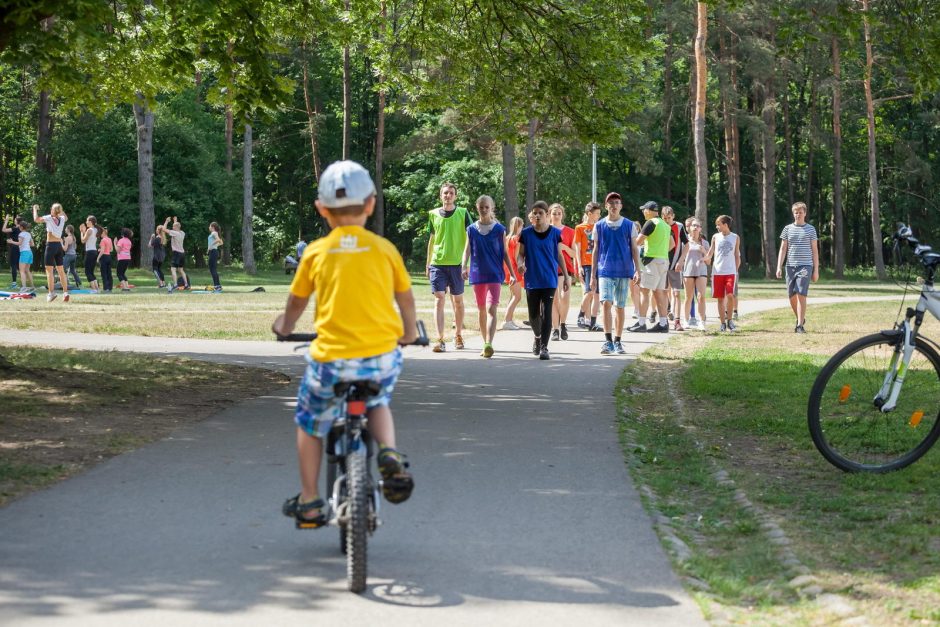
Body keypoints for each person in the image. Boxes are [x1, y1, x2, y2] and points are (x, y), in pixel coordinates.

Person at [272, 160, 417, 527]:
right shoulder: (384, 249)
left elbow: (297, 302)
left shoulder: (316, 253)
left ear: (322, 209)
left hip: (332, 360)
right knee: (378, 399)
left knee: (309, 422)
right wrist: (409, 333)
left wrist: (285, 325)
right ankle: (389, 454)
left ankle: (309, 502)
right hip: (380, 355)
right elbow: (405, 298)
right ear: (371, 203)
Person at [462, 195, 515, 358]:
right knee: (481, 309)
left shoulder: (499, 229)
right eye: (481, 207)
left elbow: (505, 253)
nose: (484, 210)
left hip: (494, 273)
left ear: (492, 208)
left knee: (492, 308)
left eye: (487, 207)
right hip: (477, 273)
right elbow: (467, 250)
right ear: (477, 208)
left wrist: (512, 274)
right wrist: (463, 266)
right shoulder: (471, 229)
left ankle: (488, 343)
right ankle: (484, 341)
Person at [516, 201, 570, 361]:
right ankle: (537, 337)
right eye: (535, 213)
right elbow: (521, 254)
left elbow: (559, 255)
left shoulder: (554, 233)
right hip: (532, 280)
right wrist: (520, 264)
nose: (537, 215)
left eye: (540, 213)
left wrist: (566, 277)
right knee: (533, 315)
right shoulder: (526, 233)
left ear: (547, 215)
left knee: (547, 313)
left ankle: (545, 347)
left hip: (549, 280)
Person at [592, 192, 642, 355]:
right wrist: (593, 274)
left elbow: (634, 249)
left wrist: (637, 270)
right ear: (606, 206)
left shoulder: (629, 225)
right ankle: (607, 341)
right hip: (605, 270)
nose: (614, 205)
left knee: (620, 307)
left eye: (617, 202)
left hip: (623, 270)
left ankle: (618, 341)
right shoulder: (599, 225)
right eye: (611, 202)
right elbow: (596, 250)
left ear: (621, 206)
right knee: (606, 303)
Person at [425, 182, 470, 352]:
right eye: (445, 193)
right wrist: (428, 262)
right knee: (439, 299)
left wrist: (466, 263)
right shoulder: (433, 214)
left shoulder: (463, 213)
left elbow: (470, 238)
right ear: (440, 195)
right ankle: (440, 339)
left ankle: (458, 335)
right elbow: (432, 239)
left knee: (458, 301)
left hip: (457, 264)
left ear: (455, 196)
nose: (448, 195)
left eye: (451, 193)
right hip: (438, 263)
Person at [628, 201, 673, 333]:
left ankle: (641, 323)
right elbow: (672, 244)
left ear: (650, 210)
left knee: (644, 291)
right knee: (659, 293)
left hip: (651, 261)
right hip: (664, 260)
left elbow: (637, 242)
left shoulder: (651, 223)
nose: (643, 212)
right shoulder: (665, 225)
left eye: (644, 210)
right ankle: (663, 323)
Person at [776, 201, 819, 333]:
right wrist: (779, 267)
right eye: (796, 212)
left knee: (801, 294)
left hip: (805, 266)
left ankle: (799, 325)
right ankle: (800, 317)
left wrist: (816, 270)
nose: (798, 215)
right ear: (793, 213)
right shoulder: (787, 229)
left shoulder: (810, 229)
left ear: (805, 213)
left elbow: (815, 250)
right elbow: (783, 249)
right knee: (791, 295)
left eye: (800, 212)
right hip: (790, 266)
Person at [703, 215, 741, 332]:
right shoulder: (715, 237)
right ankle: (723, 323)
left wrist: (736, 269)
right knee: (720, 298)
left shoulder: (735, 237)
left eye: (719, 224)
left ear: (725, 225)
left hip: (730, 272)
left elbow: (736, 255)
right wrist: (704, 258)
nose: (717, 226)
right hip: (717, 272)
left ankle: (730, 320)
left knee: (730, 295)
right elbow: (710, 253)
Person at [549, 203, 577, 341]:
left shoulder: (570, 232)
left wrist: (564, 247)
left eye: (559, 213)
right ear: (549, 215)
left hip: (565, 270)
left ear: (562, 215)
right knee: (554, 300)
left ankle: (563, 324)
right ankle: (555, 329)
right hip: (549, 269)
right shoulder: (545, 230)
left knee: (564, 297)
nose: (556, 215)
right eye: (554, 213)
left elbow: (574, 254)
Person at [33, 203, 71, 303]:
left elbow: (36, 219)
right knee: (61, 271)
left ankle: (51, 293)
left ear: (53, 211)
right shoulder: (62, 219)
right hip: (59, 246)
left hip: (50, 246)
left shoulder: (49, 217)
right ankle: (65, 292)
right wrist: (60, 209)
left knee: (49, 271)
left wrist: (35, 209)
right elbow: (65, 217)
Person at [574, 202, 602, 331]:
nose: (599, 216)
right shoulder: (580, 228)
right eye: (597, 213)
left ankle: (593, 321)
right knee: (589, 292)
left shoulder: (601, 226)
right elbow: (578, 248)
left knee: (597, 294)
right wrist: (579, 266)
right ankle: (581, 315)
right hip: (587, 263)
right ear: (589, 214)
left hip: (599, 263)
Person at [662, 206, 688, 330]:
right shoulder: (660, 226)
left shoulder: (679, 226)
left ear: (673, 216)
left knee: (676, 293)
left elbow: (687, 245)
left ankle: (677, 321)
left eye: (669, 217)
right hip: (661, 263)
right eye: (665, 218)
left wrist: (681, 260)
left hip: (675, 264)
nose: (667, 220)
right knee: (662, 291)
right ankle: (665, 314)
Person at [681, 218, 709, 330]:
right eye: (693, 225)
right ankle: (686, 320)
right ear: (689, 228)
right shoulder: (685, 241)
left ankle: (702, 321)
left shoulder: (705, 243)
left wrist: (704, 251)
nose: (695, 227)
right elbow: (681, 257)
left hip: (701, 271)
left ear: (700, 228)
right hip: (688, 271)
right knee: (688, 297)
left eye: (697, 225)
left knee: (701, 297)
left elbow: (708, 261)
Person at [502, 216, 525, 330]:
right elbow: (516, 257)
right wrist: (522, 266)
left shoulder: (507, 238)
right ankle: (507, 321)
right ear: (520, 226)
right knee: (517, 297)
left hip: (507, 269)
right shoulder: (517, 239)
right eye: (522, 226)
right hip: (514, 270)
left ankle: (509, 319)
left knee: (512, 296)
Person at [6, 218, 34, 292]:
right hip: (29, 253)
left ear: (21, 227)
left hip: (24, 253)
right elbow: (32, 244)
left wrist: (11, 241)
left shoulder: (21, 234)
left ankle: (24, 287)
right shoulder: (29, 234)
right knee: (27, 270)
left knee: (22, 271)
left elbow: (19, 243)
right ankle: (32, 286)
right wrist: (25, 244)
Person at [163, 216, 190, 292]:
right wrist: (175, 221)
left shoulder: (174, 233)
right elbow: (177, 226)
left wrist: (167, 221)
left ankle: (175, 285)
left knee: (173, 269)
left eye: (173, 226)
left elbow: (164, 229)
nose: (172, 227)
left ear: (176, 227)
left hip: (176, 253)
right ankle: (186, 284)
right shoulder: (182, 233)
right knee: (181, 270)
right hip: (182, 254)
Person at [80, 216, 100, 292]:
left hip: (90, 252)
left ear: (91, 222)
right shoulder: (95, 229)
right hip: (94, 252)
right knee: (91, 271)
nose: (86, 222)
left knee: (87, 272)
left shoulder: (89, 230)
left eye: (87, 221)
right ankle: (97, 289)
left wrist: (81, 232)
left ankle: (94, 289)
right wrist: (84, 231)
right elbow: (88, 238)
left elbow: (83, 241)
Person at [2, 215, 22, 288]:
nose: (14, 220)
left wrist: (6, 220)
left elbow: (3, 229)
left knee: (13, 265)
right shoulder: (22, 229)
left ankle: (14, 284)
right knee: (19, 266)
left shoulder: (15, 228)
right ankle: (23, 284)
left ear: (16, 221)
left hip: (14, 247)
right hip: (21, 248)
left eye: (15, 219)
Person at [208, 222, 224, 291]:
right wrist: (213, 246)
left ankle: (216, 286)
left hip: (213, 252)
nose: (209, 227)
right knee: (213, 269)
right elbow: (221, 242)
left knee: (213, 269)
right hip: (213, 252)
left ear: (212, 227)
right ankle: (218, 286)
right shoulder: (215, 233)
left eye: (210, 226)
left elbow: (218, 240)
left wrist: (212, 245)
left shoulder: (214, 233)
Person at [97, 226, 114, 293]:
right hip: (109, 257)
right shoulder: (109, 239)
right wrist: (101, 249)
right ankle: (110, 287)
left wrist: (98, 258)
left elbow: (102, 251)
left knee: (104, 273)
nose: (99, 234)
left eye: (100, 233)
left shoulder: (103, 240)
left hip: (103, 257)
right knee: (109, 273)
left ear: (103, 233)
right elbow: (111, 249)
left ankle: (105, 288)